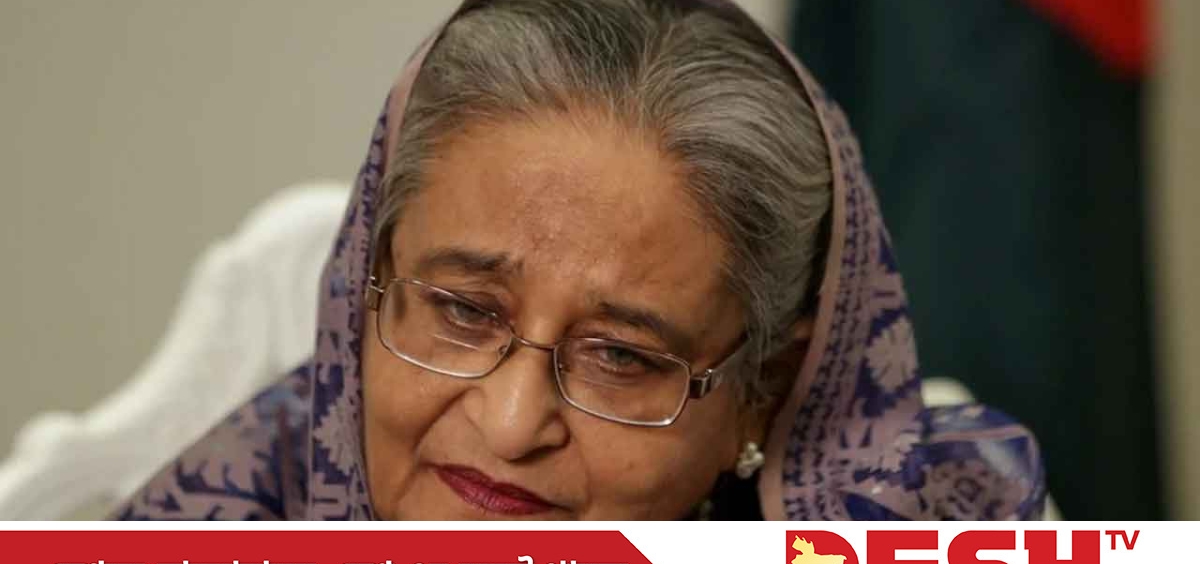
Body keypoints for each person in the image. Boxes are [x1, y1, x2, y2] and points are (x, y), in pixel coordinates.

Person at [115, 0, 1045, 521]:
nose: (512, 423)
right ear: (368, 285)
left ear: (763, 391)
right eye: (464, 310)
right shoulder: (205, 536)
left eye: (622, 357)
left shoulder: (935, 552)